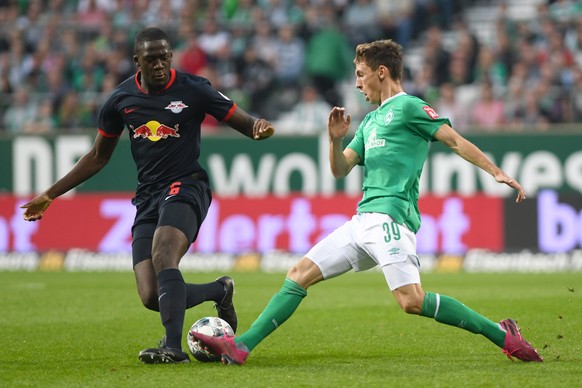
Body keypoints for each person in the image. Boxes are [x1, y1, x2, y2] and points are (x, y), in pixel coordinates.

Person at [191, 39, 543, 365]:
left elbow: (453, 140)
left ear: (381, 72)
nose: (357, 84)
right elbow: (341, 169)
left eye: (360, 75)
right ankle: (242, 347)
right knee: (298, 274)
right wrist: (333, 140)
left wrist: (495, 171)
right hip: (362, 222)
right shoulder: (370, 121)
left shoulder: (408, 107)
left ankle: (501, 333)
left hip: (391, 219)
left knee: (411, 301)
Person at [21, 27, 275, 364]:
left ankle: (172, 347)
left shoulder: (194, 89)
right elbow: (98, 156)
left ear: (171, 56)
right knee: (151, 294)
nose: (158, 64)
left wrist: (258, 128)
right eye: (150, 58)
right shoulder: (120, 100)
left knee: (163, 251)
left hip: (187, 185)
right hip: (148, 196)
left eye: (164, 57)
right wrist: (50, 194)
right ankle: (219, 290)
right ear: (136, 61)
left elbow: (243, 121)